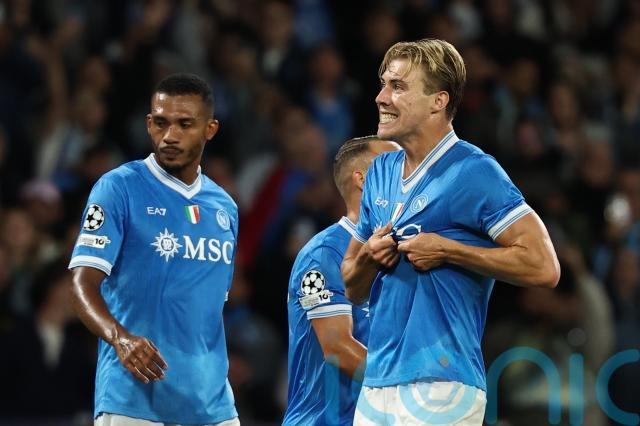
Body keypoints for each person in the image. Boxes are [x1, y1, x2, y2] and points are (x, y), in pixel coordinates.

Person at [341, 39, 561, 425]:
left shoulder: (474, 171)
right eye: (383, 84)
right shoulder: (379, 173)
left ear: (438, 101)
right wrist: (369, 257)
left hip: (443, 384)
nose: (381, 97)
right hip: (377, 383)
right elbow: (352, 285)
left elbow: (544, 266)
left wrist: (450, 250)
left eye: (398, 86)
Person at [68, 73, 240, 426]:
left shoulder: (225, 207)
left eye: (185, 124)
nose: (170, 135)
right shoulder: (119, 188)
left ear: (210, 129)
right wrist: (121, 339)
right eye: (161, 123)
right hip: (134, 400)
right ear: (149, 124)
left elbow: (207, 308)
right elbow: (81, 283)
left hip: (212, 404)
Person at [283, 136, 400, 425]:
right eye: (398, 166)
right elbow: (337, 348)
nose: (410, 175)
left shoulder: (401, 253)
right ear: (363, 180)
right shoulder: (323, 255)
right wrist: (405, 394)